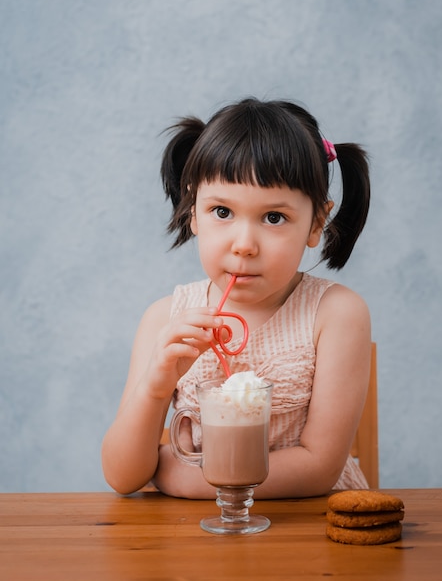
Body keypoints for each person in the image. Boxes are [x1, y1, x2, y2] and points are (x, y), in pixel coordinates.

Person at [101, 97, 372, 498]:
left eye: (274, 217)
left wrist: (178, 476)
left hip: (308, 531)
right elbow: (123, 476)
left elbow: (318, 468)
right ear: (193, 210)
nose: (244, 245)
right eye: (222, 212)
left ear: (316, 223)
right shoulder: (165, 319)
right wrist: (155, 388)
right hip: (195, 539)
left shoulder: (336, 314)